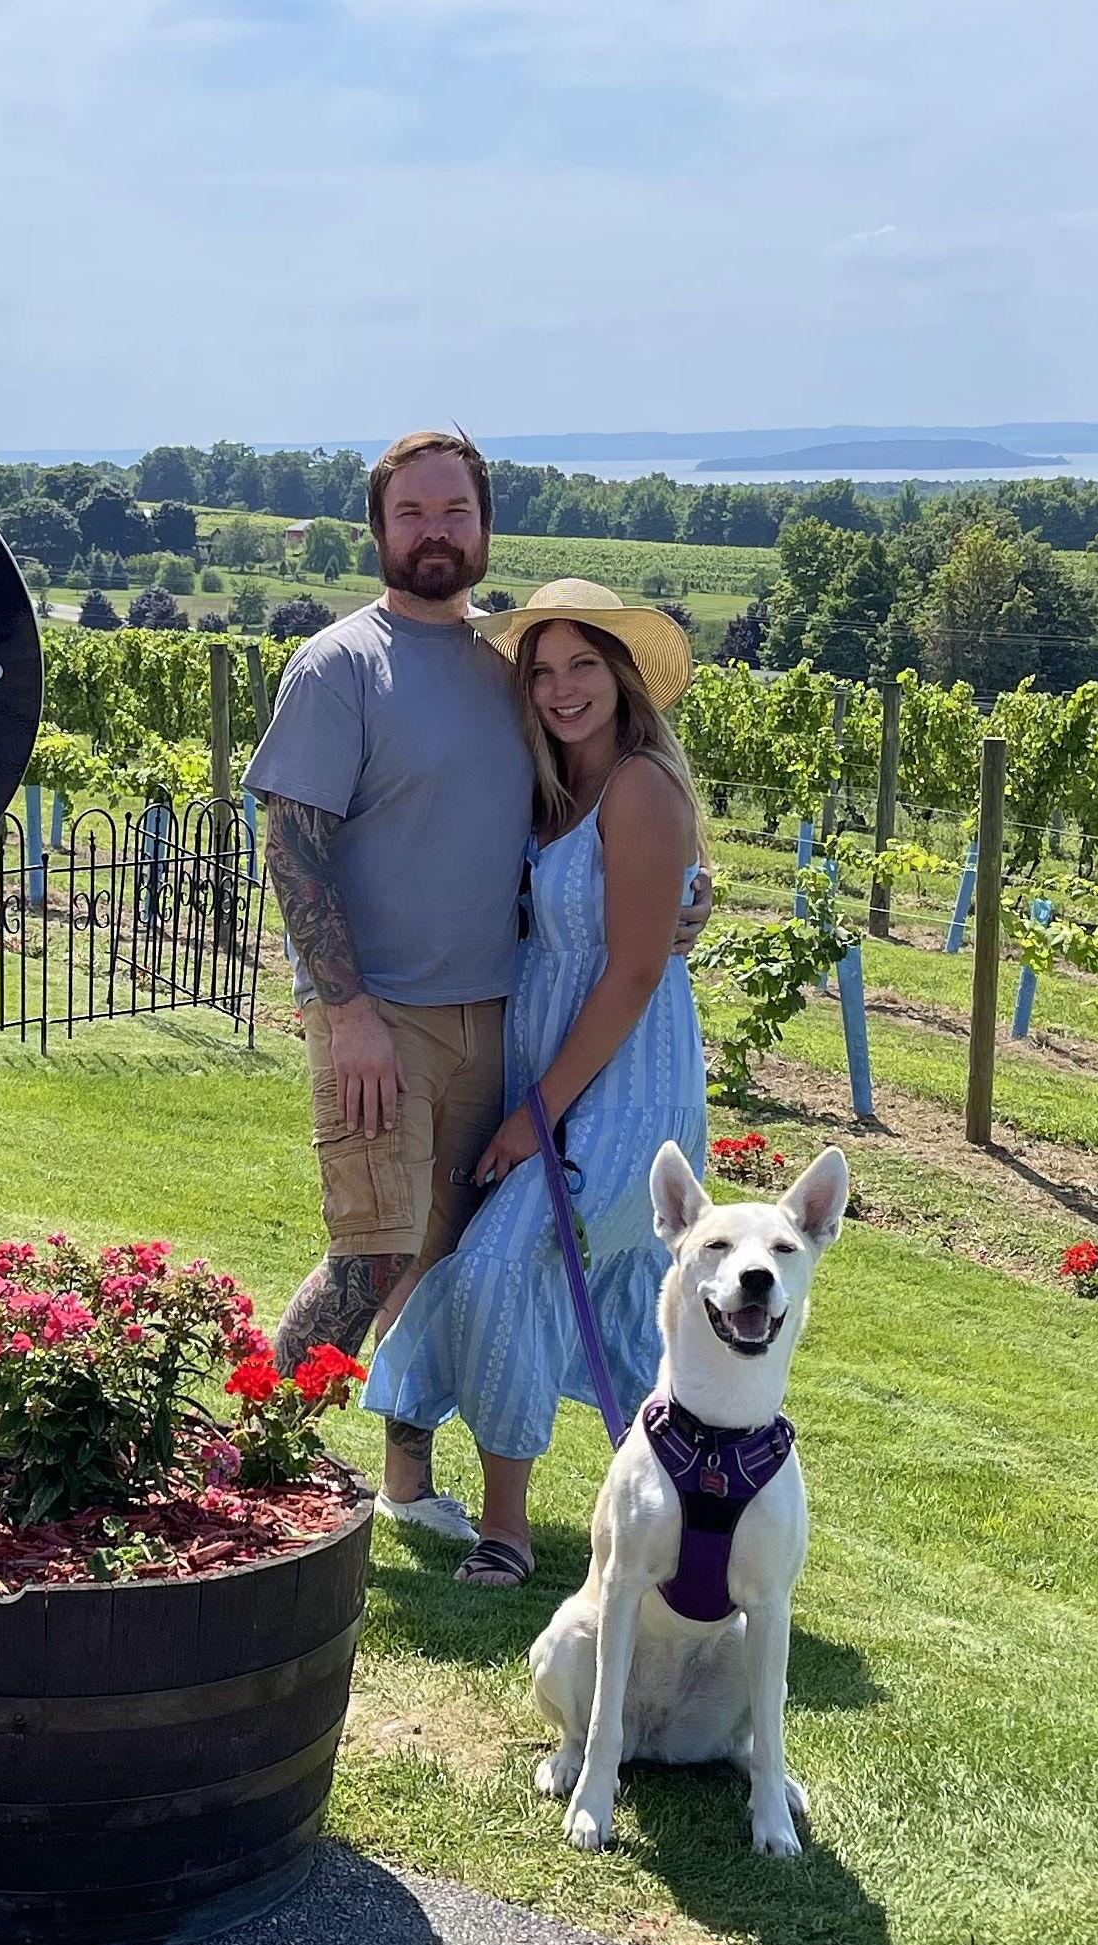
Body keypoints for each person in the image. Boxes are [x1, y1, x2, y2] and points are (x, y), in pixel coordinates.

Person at [243, 433, 708, 1565]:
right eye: (411, 512)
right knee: (372, 1253)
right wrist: (347, 1009)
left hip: (499, 1021)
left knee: (442, 1263)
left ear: (486, 524)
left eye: (455, 509)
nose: (435, 531)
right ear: (379, 529)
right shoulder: (340, 666)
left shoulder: (511, 675)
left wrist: (684, 897)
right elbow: (291, 846)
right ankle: (246, 1463)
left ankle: (406, 1483)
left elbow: (585, 831)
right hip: (379, 1018)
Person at [357, 580, 711, 1584]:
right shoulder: (553, 786)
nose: (562, 688)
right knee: (606, 1290)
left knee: (504, 1262)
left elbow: (633, 970)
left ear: (622, 675)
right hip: (555, 1063)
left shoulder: (639, 786)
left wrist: (534, 1114)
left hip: (625, 1083)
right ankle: (682, 1511)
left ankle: (506, 1531)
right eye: (543, 670)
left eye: (583, 664)